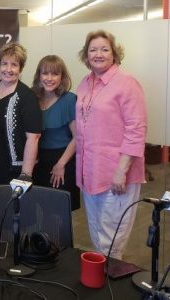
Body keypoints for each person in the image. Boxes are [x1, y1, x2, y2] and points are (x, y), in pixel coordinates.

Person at [76, 30, 147, 259]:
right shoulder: (85, 83)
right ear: (86, 55)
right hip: (90, 173)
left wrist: (121, 171)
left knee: (112, 238)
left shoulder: (126, 83)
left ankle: (111, 284)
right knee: (97, 232)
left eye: (104, 49)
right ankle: (103, 277)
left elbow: (136, 130)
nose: (98, 54)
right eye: (93, 50)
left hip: (117, 175)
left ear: (114, 54)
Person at [0, 42, 42, 185]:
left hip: (15, 171)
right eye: (4, 64)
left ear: (21, 68)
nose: (8, 69)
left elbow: (34, 137)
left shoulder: (27, 97)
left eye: (14, 65)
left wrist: (25, 175)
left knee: (13, 207)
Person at [32, 55, 80, 211]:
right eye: (45, 73)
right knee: (39, 210)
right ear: (39, 76)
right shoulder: (33, 99)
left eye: (55, 74)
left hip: (62, 160)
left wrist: (60, 165)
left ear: (62, 77)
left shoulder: (69, 100)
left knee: (58, 213)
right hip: (38, 163)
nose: (49, 78)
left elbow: (77, 138)